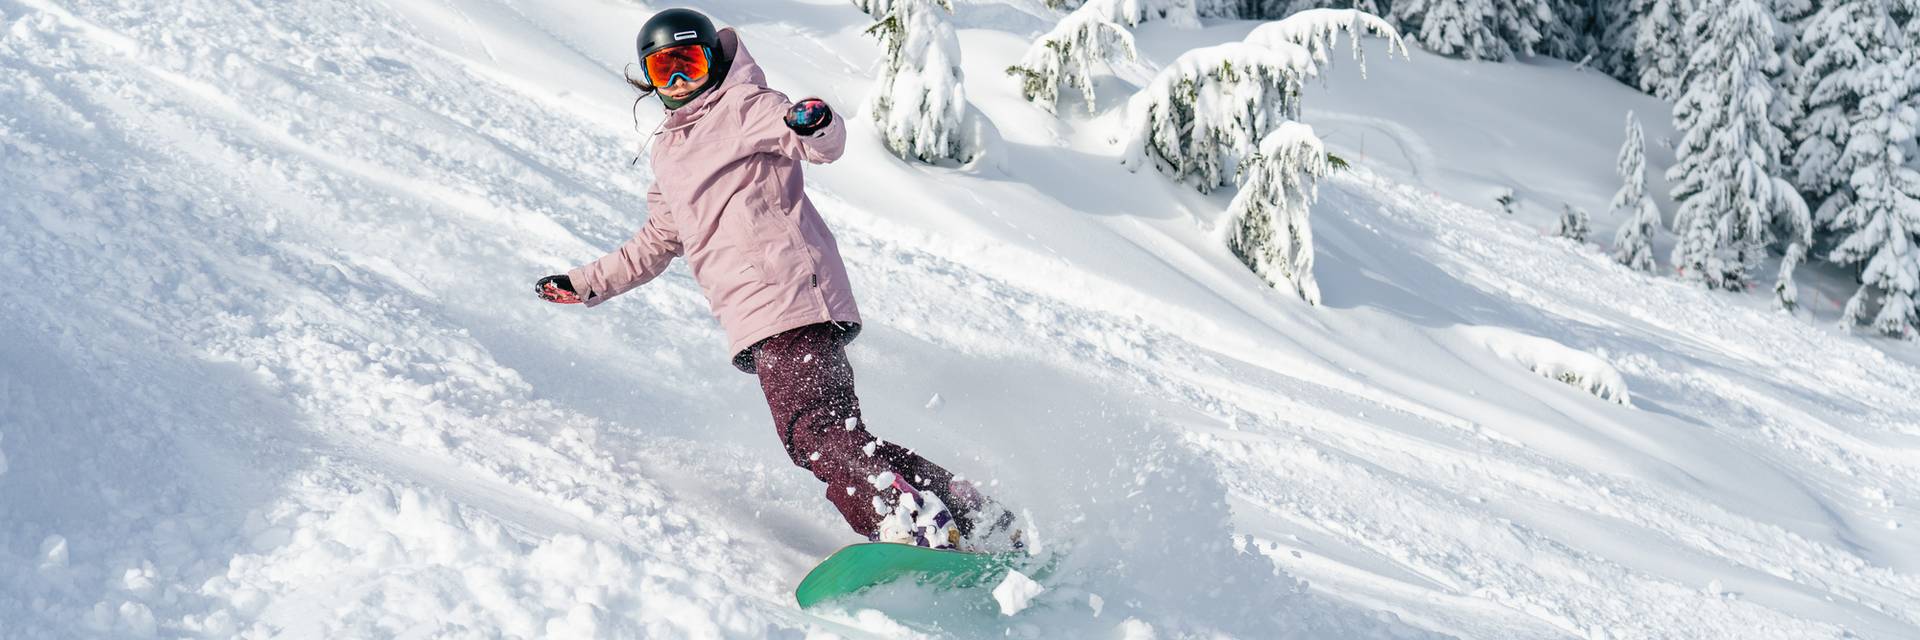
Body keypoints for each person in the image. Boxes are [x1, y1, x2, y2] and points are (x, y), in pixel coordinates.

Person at [533, 8, 1011, 550]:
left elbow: (814, 141)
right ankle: (971, 513)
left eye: (690, 62)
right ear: (650, 78)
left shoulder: (742, 105)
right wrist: (585, 282)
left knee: (813, 433)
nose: (682, 80)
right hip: (759, 314)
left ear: (714, 61)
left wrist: (815, 120)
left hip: (786, 295)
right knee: (833, 435)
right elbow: (654, 242)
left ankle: (906, 524)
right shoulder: (670, 153)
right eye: (667, 70)